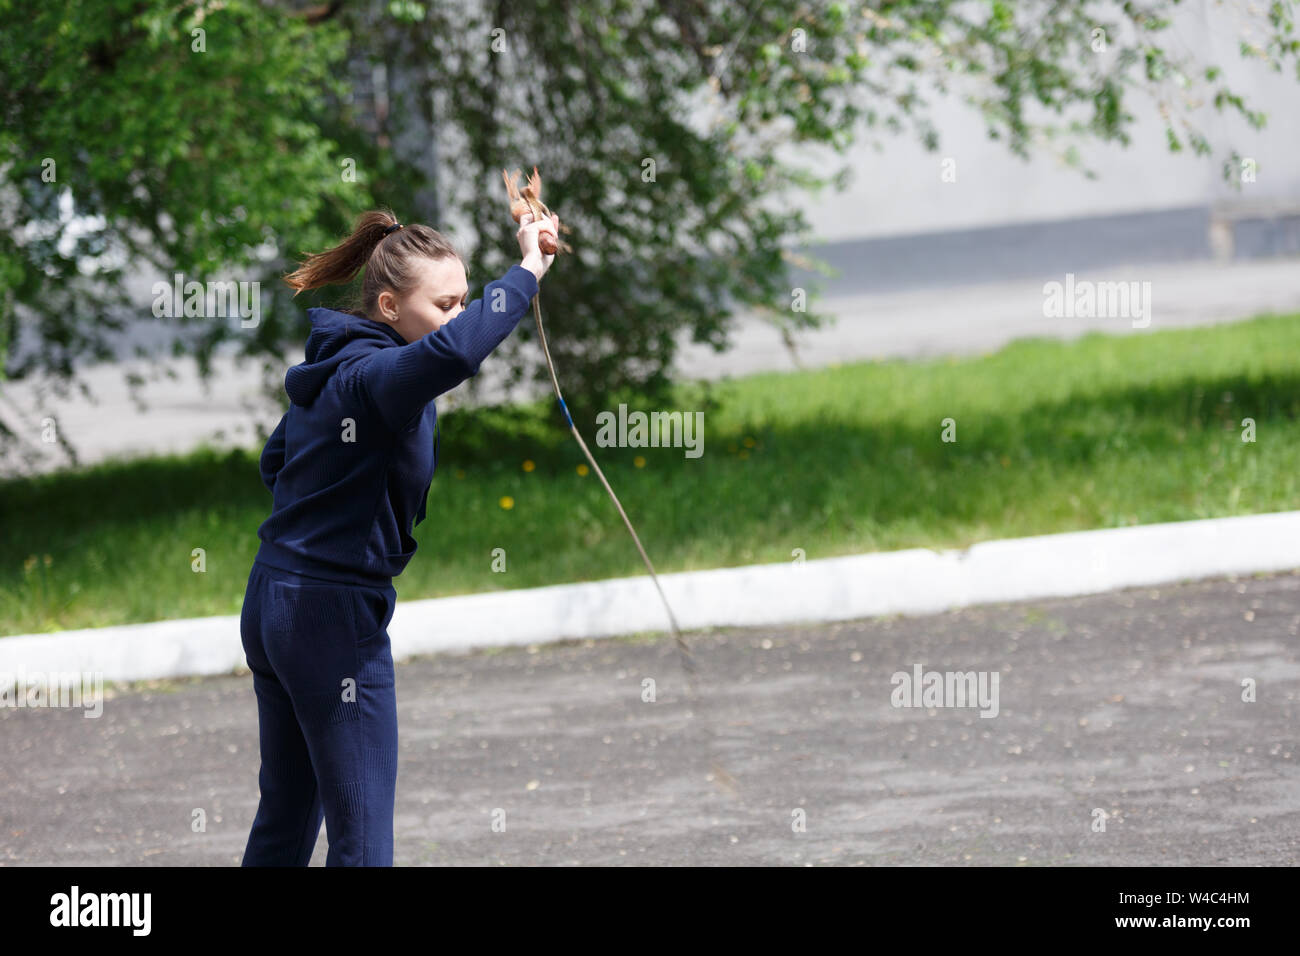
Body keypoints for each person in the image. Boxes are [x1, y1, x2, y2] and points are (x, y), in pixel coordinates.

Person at [238, 207, 559, 866]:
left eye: (465, 299)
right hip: (329, 615)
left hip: (275, 597)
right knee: (361, 841)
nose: (459, 314)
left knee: (288, 814)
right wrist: (528, 269)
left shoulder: (332, 368)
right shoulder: (374, 380)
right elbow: (456, 352)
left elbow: (278, 463)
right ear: (389, 305)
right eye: (445, 303)